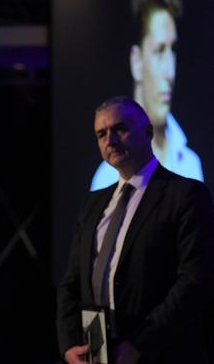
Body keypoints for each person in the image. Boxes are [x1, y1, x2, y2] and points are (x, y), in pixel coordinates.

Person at [57, 96, 214, 364]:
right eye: (102, 133)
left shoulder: (186, 194)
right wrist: (70, 344)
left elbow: (193, 281)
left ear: (148, 132)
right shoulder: (93, 203)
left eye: (121, 128)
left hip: (162, 352)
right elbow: (72, 281)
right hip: (99, 352)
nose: (111, 140)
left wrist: (140, 344)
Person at [91, 0, 203, 191]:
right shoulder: (108, 177)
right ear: (137, 61)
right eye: (159, 51)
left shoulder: (190, 165)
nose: (171, 72)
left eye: (173, 50)